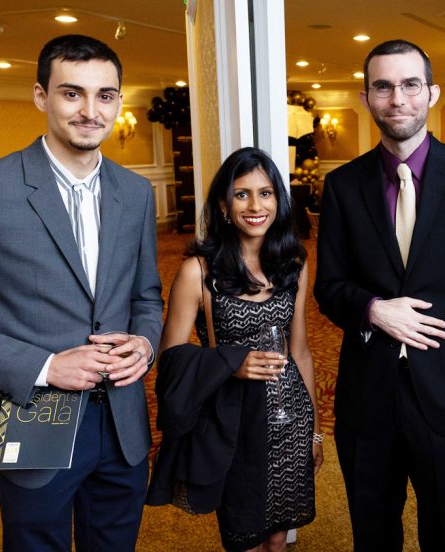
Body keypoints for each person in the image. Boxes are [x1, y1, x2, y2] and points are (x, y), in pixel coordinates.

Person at [0, 34, 163, 551]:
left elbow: (146, 297)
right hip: (34, 417)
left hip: (123, 421)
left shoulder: (135, 192)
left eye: (105, 95)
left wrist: (145, 343)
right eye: (73, 94)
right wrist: (46, 367)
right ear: (41, 96)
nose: (91, 111)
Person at [313, 39, 445, 550]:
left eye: (410, 85)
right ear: (367, 98)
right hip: (368, 396)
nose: (398, 99)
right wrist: (373, 309)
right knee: (373, 532)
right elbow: (329, 287)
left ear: (431, 92)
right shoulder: (342, 186)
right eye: (383, 87)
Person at [150, 147, 321, 552]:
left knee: (279, 537)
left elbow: (301, 352)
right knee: (244, 537)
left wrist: (314, 432)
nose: (255, 205)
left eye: (265, 193)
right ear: (224, 206)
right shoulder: (199, 271)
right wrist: (232, 363)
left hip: (289, 420)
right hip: (234, 424)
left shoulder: (294, 262)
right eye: (242, 194)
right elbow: (170, 359)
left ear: (279, 201)